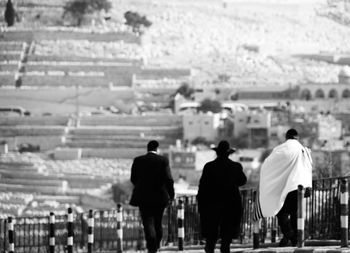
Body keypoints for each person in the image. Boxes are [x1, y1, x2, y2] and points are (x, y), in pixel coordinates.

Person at [255, 129, 312, 247]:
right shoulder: (303, 150)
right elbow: (308, 168)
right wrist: (308, 187)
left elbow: (267, 165)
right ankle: (295, 238)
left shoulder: (280, 149)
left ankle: (289, 235)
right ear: (297, 138)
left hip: (282, 188)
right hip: (299, 188)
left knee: (281, 212)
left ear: (286, 137)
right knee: (295, 213)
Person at [197, 140, 247, 253]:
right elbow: (242, 181)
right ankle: (225, 246)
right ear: (229, 153)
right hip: (231, 203)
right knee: (228, 227)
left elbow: (203, 186)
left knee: (212, 226)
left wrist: (201, 202)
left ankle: (210, 246)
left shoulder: (209, 166)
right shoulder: (236, 166)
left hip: (212, 203)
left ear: (217, 153)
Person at [129, 140, 175, 253]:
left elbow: (133, 179)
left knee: (148, 222)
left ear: (147, 149)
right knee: (158, 222)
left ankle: (152, 247)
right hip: (160, 197)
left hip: (143, 198)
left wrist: (141, 188)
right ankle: (157, 244)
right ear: (157, 149)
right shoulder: (163, 160)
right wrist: (171, 195)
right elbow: (169, 179)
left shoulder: (138, 160)